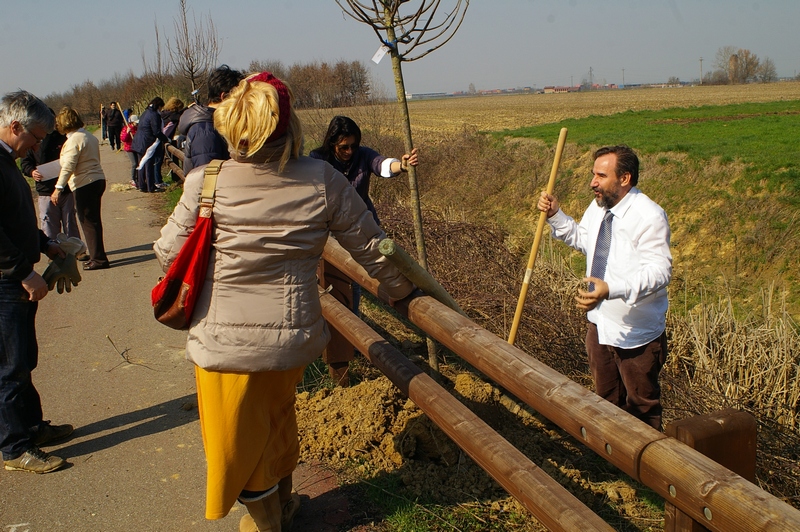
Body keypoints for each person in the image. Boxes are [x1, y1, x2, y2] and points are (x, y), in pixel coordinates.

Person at [154, 72, 414, 531]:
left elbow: (168, 252)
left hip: (224, 345)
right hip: (292, 341)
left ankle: (266, 524)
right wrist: (403, 293)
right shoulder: (324, 180)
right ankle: (288, 503)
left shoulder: (205, 181)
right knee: (276, 417)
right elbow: (372, 248)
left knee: (237, 444)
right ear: (288, 125)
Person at [537, 145, 672, 430]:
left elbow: (660, 272)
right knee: (607, 401)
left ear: (625, 178)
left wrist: (611, 289)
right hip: (599, 325)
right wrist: (555, 215)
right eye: (593, 174)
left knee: (642, 408)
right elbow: (582, 239)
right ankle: (614, 461)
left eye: (601, 175)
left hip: (635, 334)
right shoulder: (599, 208)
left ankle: (646, 468)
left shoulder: (649, 216)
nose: (592, 182)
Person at [309, 115, 419, 385]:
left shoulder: (362, 156)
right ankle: (336, 340)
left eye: (353, 146)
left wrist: (400, 166)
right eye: (343, 147)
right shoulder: (317, 160)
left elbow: (381, 165)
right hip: (330, 234)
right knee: (333, 284)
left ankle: (353, 336)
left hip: (361, 230)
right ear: (332, 143)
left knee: (358, 281)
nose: (349, 152)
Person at [0, 90, 74, 474]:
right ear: (15, 126)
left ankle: (31, 427)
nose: (38, 144)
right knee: (10, 366)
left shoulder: (6, 161)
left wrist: (46, 244)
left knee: (24, 357)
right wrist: (24, 272)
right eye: (35, 137)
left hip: (14, 278)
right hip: (6, 282)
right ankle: (14, 448)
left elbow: (14, 221)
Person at [52, 107, 109, 271]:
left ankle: (98, 259)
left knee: (88, 222)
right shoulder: (88, 136)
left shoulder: (73, 140)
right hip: (97, 179)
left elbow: (69, 166)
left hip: (84, 182)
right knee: (94, 221)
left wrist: (58, 188)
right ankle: (98, 256)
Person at [20, 110, 82, 243]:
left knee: (70, 220)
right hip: (45, 189)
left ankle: (76, 248)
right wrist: (31, 171)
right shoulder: (32, 140)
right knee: (48, 223)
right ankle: (53, 250)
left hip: (65, 188)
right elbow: (25, 162)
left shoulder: (63, 138)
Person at [177, 64, 244, 175]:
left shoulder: (209, 125)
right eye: (238, 98)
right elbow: (206, 179)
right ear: (225, 96)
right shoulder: (205, 131)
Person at [132, 96, 169, 193]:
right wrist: (166, 139)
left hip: (138, 141)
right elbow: (156, 131)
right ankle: (150, 186)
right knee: (148, 165)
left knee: (141, 164)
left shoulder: (146, 112)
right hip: (146, 143)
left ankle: (141, 185)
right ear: (159, 106)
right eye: (161, 107)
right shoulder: (154, 115)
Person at [120, 114, 139, 188]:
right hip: (129, 148)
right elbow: (123, 139)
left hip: (136, 148)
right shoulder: (126, 128)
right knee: (134, 163)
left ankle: (138, 178)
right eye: (135, 122)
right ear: (131, 122)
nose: (137, 124)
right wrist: (128, 132)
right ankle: (132, 179)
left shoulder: (137, 128)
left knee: (138, 163)